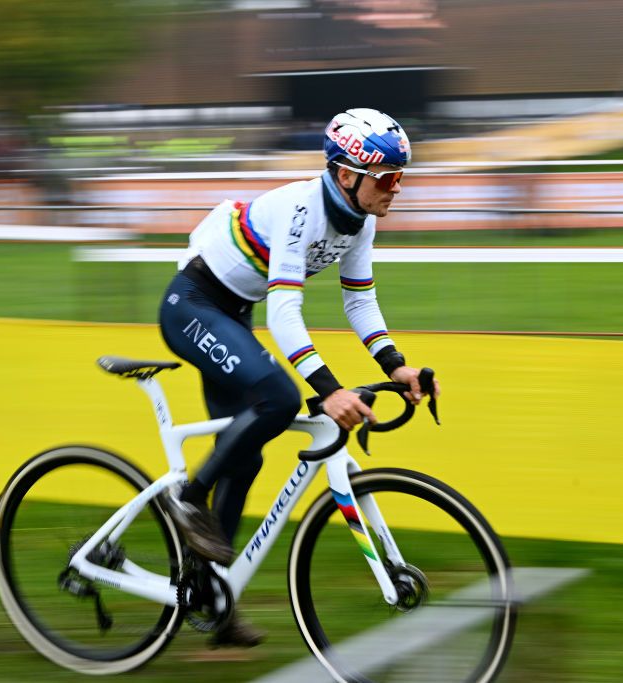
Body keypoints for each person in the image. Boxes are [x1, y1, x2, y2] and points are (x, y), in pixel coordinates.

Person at [157, 107, 441, 647]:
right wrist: (329, 390)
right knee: (278, 399)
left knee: (245, 453)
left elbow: (360, 302)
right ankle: (188, 498)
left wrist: (396, 365)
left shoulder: (361, 219)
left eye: (402, 177)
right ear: (345, 175)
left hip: (232, 312)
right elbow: (284, 314)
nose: (396, 188)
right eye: (387, 177)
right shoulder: (300, 210)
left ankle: (211, 600)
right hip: (192, 304)